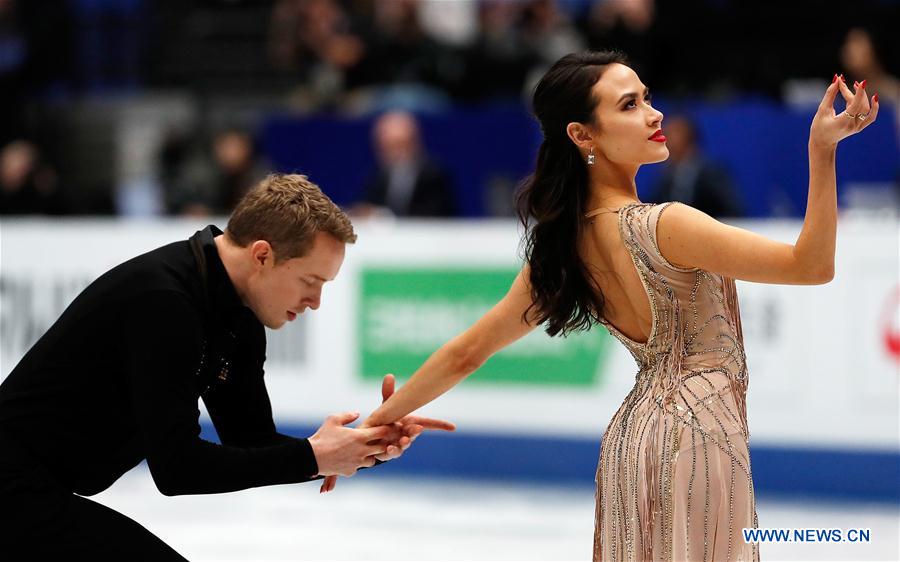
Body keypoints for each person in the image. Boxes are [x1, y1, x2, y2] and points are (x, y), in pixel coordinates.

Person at [324, 51, 879, 560]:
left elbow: (468, 351)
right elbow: (812, 266)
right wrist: (821, 151)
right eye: (630, 105)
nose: (654, 114)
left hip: (632, 442)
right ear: (582, 134)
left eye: (647, 97)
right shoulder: (669, 224)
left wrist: (373, 426)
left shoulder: (563, 245)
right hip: (701, 439)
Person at [0, 173, 454, 560]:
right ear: (262, 255)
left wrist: (361, 445)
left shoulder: (237, 315)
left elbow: (250, 443)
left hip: (40, 490)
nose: (315, 302)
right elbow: (176, 469)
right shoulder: (164, 301)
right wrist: (313, 456)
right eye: (310, 281)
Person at [354, 110, 456, 218]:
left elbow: (434, 217)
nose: (395, 153)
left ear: (414, 142)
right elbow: (367, 206)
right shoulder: (380, 177)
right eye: (387, 147)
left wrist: (384, 217)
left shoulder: (434, 176)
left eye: (400, 145)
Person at [650, 114, 744, 218]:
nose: (667, 138)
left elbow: (732, 210)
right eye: (665, 133)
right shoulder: (667, 178)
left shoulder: (710, 173)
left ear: (689, 138)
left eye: (674, 133)